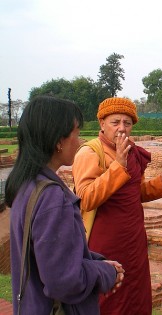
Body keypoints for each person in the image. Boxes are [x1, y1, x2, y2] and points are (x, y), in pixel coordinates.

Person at [5, 96, 124, 315]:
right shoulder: (52, 198)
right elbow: (64, 281)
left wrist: (97, 261)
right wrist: (105, 273)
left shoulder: (27, 184)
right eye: (76, 134)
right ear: (58, 141)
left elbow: (51, 255)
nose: (79, 142)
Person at [72, 97, 162, 315]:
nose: (122, 128)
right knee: (108, 299)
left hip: (133, 240)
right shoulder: (90, 153)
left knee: (136, 295)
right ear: (102, 123)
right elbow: (86, 198)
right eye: (115, 122)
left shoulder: (132, 151)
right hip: (105, 242)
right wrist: (118, 165)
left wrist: (159, 184)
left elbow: (133, 194)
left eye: (127, 123)